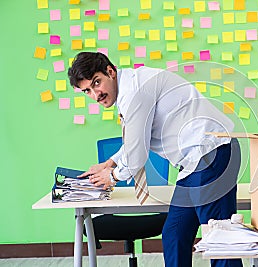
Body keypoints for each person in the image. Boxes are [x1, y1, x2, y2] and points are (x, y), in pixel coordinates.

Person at [68, 51, 243, 267]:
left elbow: (137, 156)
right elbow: (137, 137)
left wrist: (112, 176)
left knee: (219, 240)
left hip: (211, 154)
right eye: (87, 91)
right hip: (193, 163)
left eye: (97, 83)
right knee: (174, 234)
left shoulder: (135, 92)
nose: (96, 94)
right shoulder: (130, 90)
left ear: (110, 72)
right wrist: (111, 162)